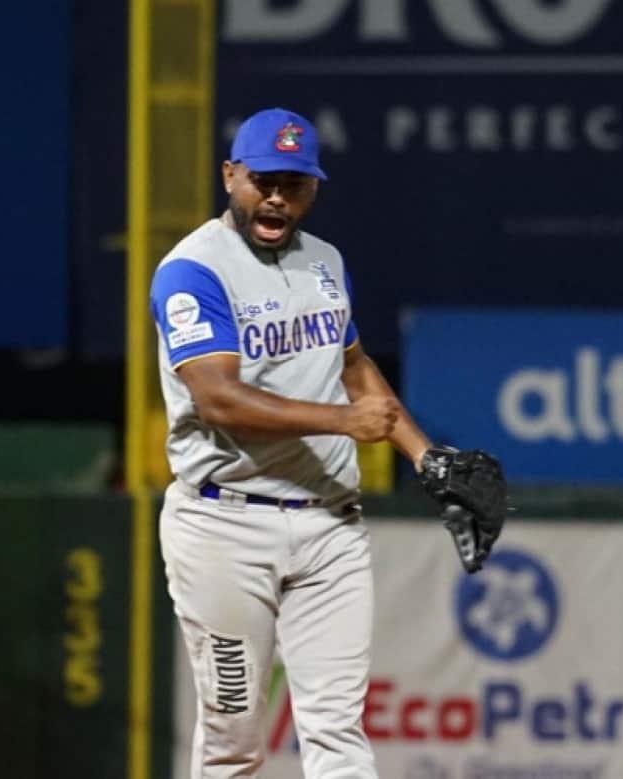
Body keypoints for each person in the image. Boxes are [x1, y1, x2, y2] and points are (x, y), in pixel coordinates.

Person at [149, 107, 432, 777]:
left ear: (313, 190)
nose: (277, 196)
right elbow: (217, 398)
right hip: (225, 527)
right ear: (231, 176)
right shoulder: (192, 270)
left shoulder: (325, 263)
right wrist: (344, 423)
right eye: (263, 180)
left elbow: (354, 365)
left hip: (330, 525)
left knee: (337, 731)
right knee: (234, 739)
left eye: (295, 183)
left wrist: (425, 455)